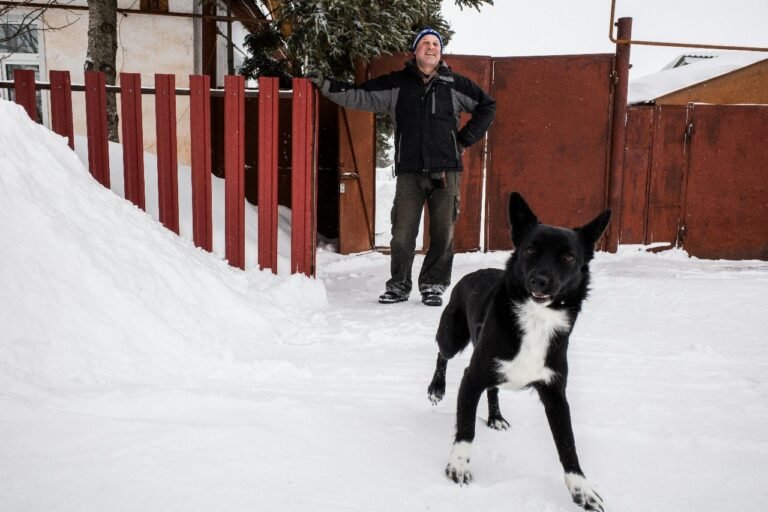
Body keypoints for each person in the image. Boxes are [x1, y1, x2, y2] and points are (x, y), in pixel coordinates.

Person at [309, 27, 496, 306]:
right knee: (402, 235)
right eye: (425, 43)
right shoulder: (398, 84)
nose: (431, 47)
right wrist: (325, 84)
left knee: (443, 234)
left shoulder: (455, 84)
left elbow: (487, 106)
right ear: (415, 50)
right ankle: (398, 285)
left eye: (435, 44)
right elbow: (360, 95)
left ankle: (433, 285)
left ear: (440, 51)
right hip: (409, 173)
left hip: (446, 172)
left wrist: (463, 141)